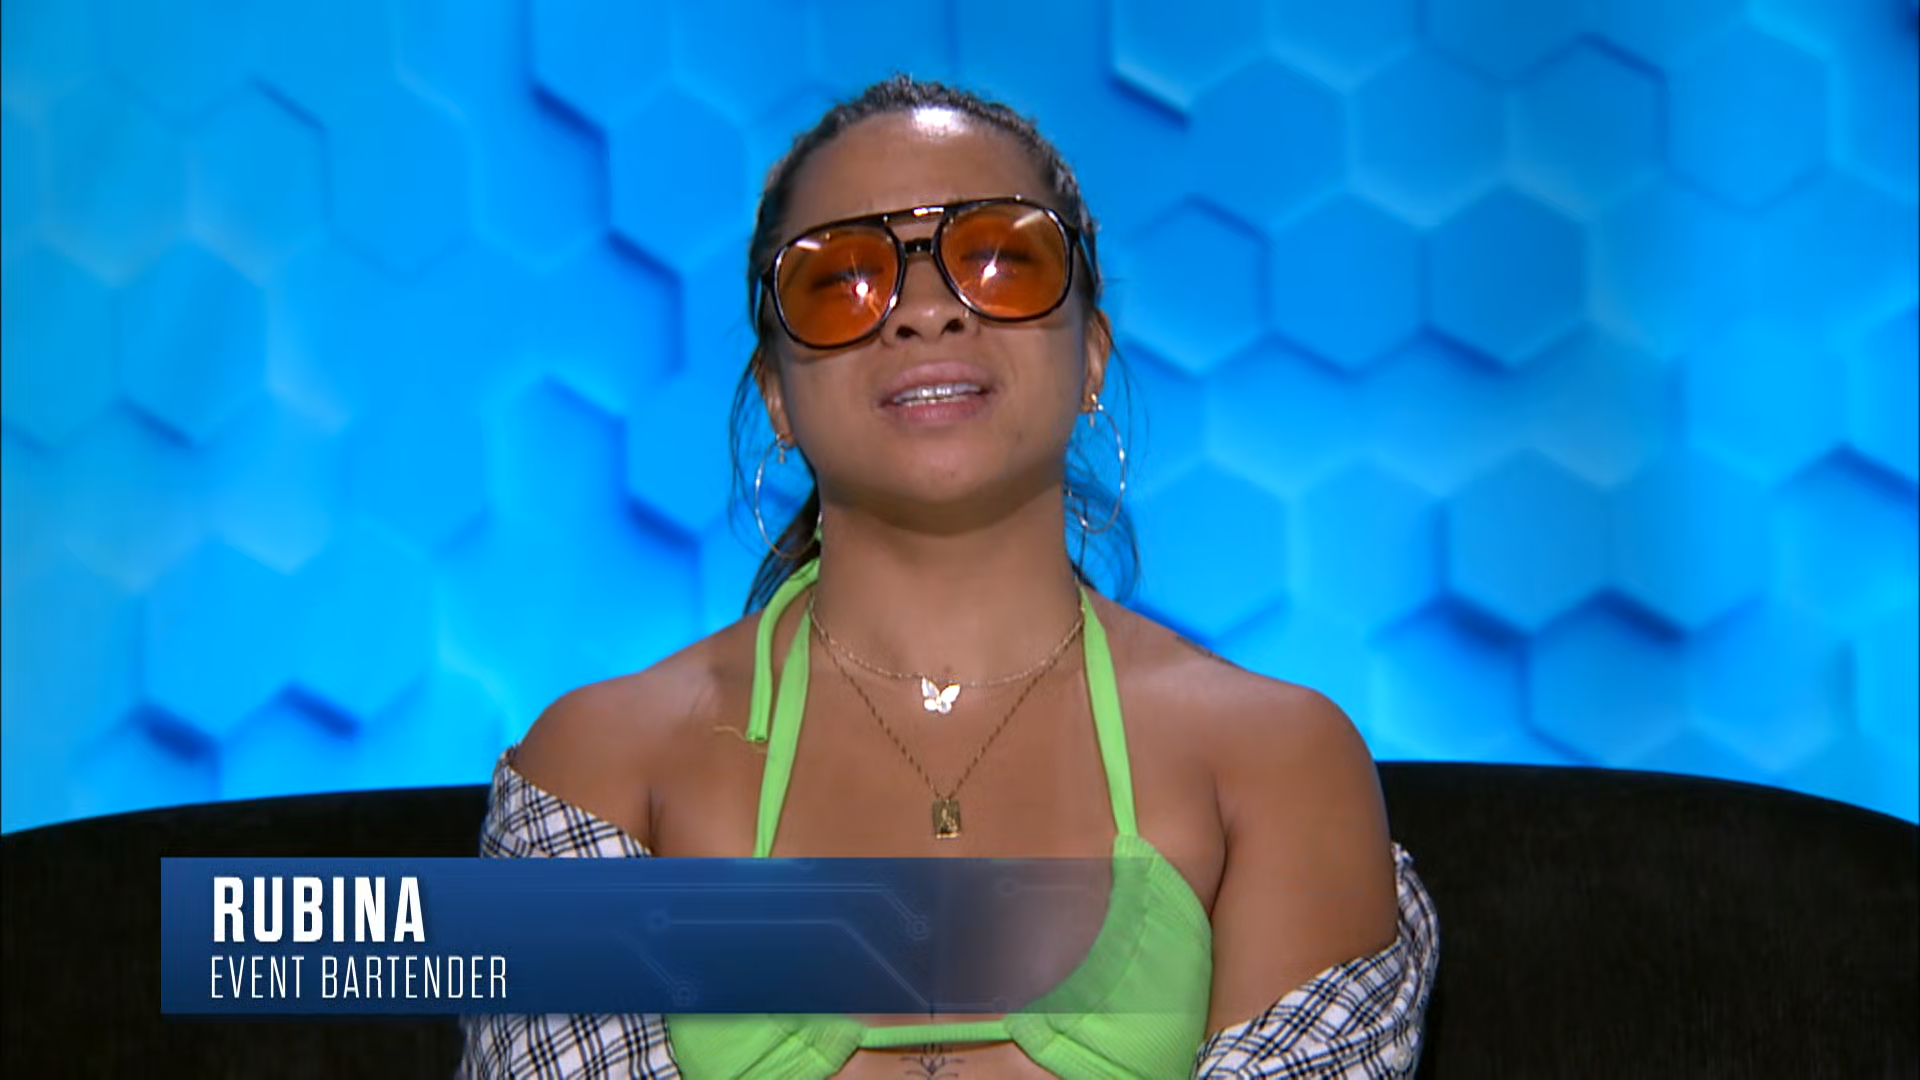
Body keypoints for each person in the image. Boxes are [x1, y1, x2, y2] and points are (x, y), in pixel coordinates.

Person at [460, 75, 1437, 1079]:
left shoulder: (1277, 765)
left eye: (1002, 260)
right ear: (776, 394)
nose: (926, 311)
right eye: (842, 280)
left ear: (1091, 355)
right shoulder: (600, 771)